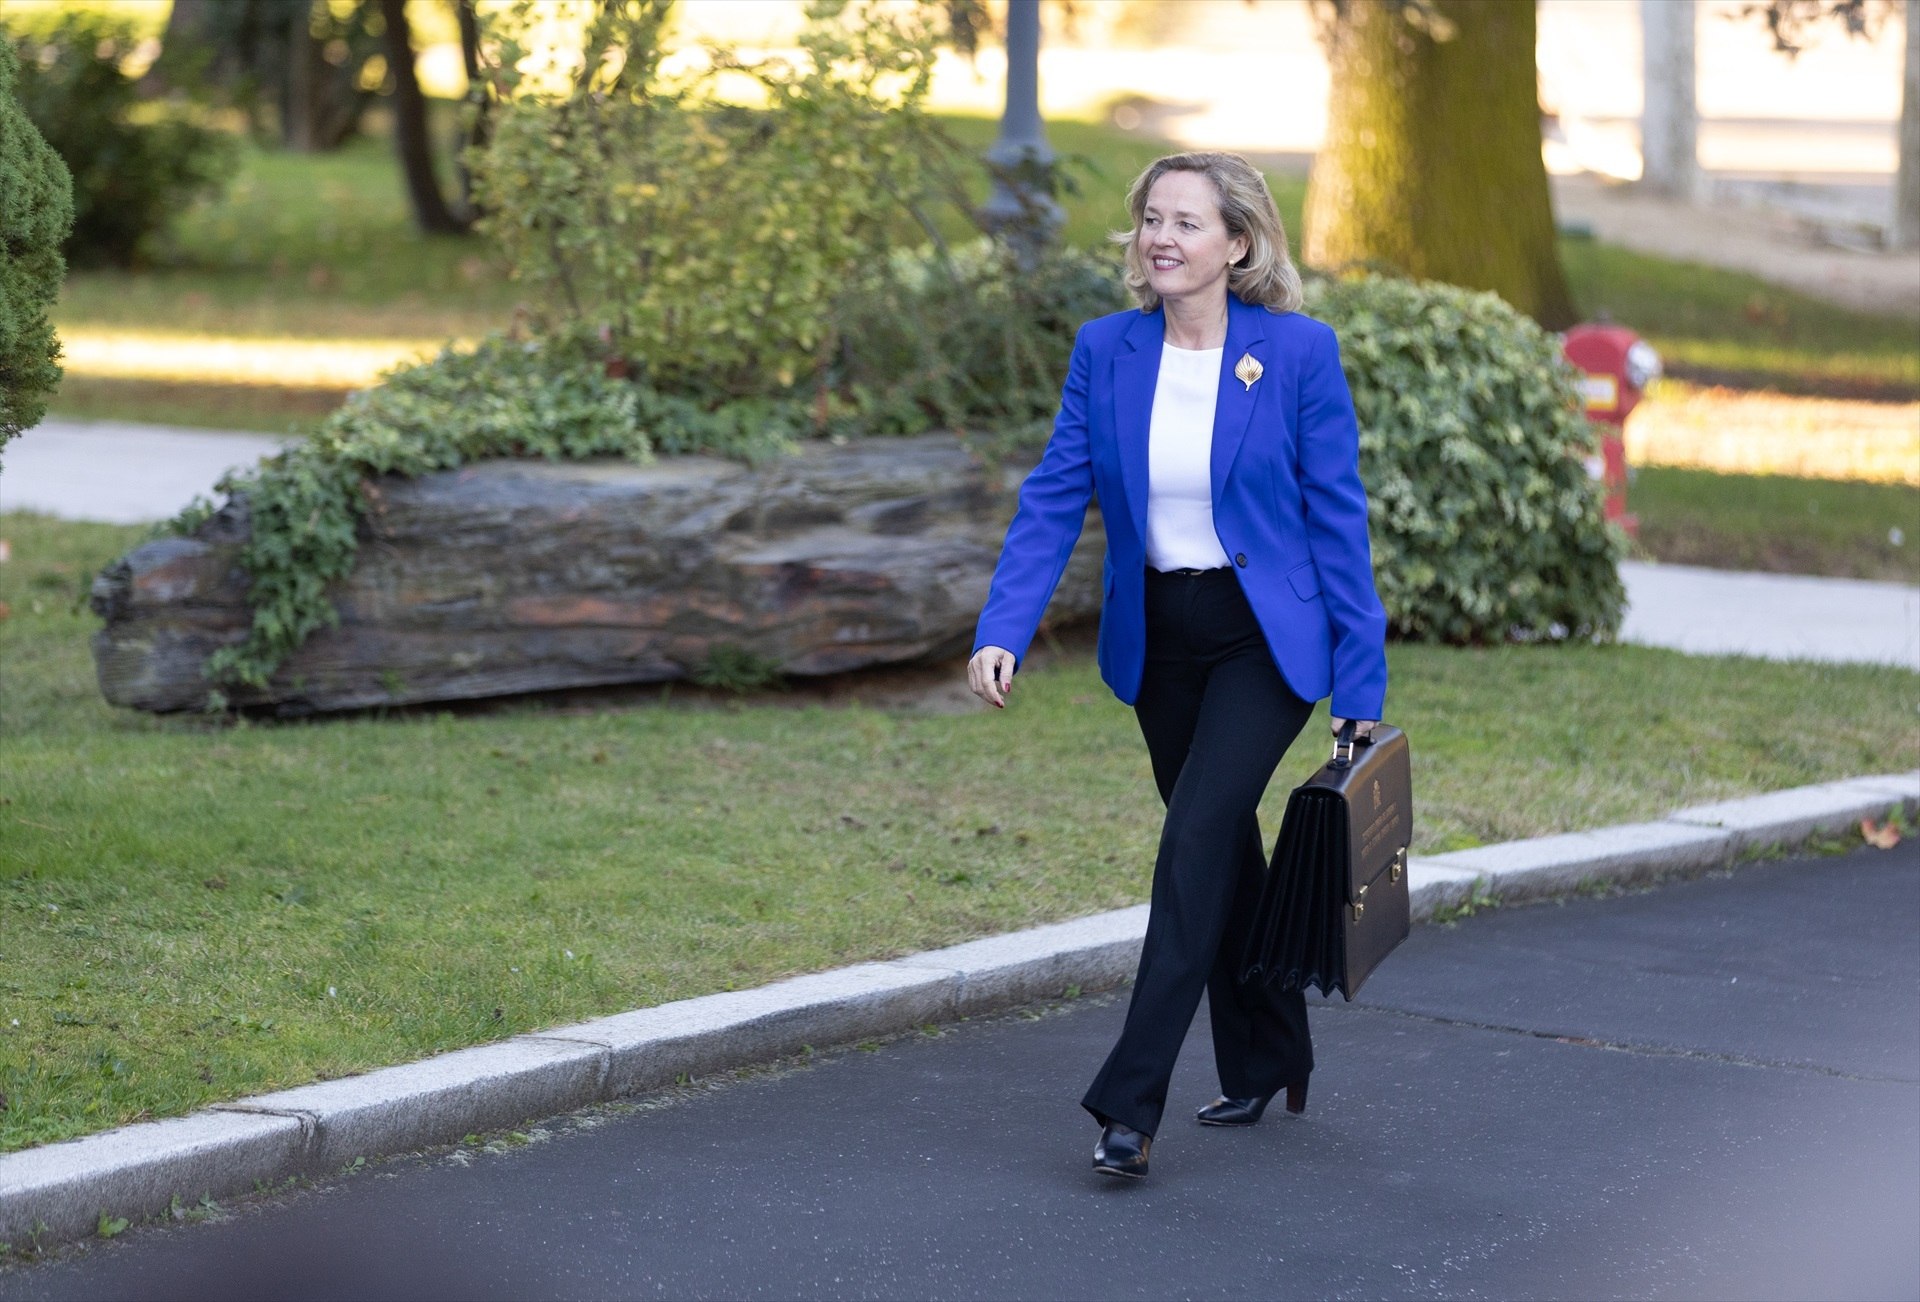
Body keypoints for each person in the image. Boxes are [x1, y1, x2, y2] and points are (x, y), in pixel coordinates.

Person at [966, 152, 1388, 1181]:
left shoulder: (1295, 354)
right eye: (1151, 218)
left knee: (1192, 845)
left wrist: (1360, 684)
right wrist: (1003, 628)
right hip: (1160, 637)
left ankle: (1129, 1100)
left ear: (1237, 244)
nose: (1161, 237)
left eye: (1186, 223)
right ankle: (1271, 1049)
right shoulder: (1107, 350)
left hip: (1263, 641)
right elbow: (1054, 497)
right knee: (1223, 858)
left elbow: (1338, 522)